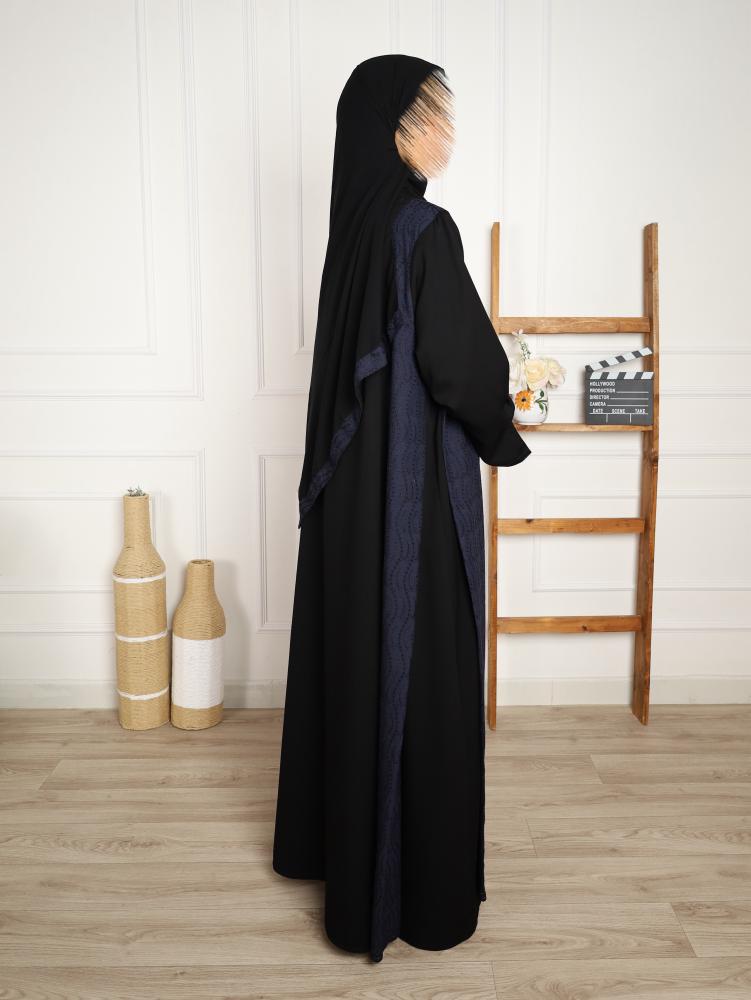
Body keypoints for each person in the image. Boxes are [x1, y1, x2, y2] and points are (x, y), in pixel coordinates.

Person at [272, 54, 531, 963]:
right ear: (393, 130)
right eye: (433, 116)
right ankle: (418, 897)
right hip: (407, 495)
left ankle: (337, 856)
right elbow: (458, 367)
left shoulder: (352, 233)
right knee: (423, 669)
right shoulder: (423, 227)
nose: (446, 133)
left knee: (358, 657)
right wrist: (503, 420)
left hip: (352, 501)